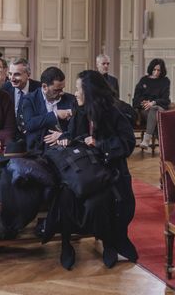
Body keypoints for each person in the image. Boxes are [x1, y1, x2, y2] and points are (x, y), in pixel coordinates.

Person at [47, 70, 137, 270]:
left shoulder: (114, 112)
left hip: (107, 169)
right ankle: (66, 244)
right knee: (65, 195)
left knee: (102, 198)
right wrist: (66, 139)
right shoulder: (78, 108)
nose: (76, 93)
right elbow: (74, 135)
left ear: (91, 91)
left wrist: (99, 143)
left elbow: (128, 143)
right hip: (82, 167)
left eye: (79, 89)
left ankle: (109, 242)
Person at [19, 66, 75, 153]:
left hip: (65, 148)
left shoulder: (71, 99)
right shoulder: (30, 99)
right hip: (38, 149)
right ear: (45, 87)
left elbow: (77, 126)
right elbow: (29, 124)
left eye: (62, 88)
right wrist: (55, 114)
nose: (61, 92)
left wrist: (63, 135)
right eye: (57, 90)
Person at [132, 58, 170, 150]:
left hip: (159, 107)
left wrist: (152, 102)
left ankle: (146, 139)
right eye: (154, 70)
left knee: (154, 109)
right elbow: (136, 97)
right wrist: (144, 103)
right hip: (145, 109)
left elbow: (165, 99)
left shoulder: (165, 81)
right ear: (151, 69)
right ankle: (165, 146)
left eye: (158, 70)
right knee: (155, 115)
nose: (156, 72)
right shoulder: (144, 80)